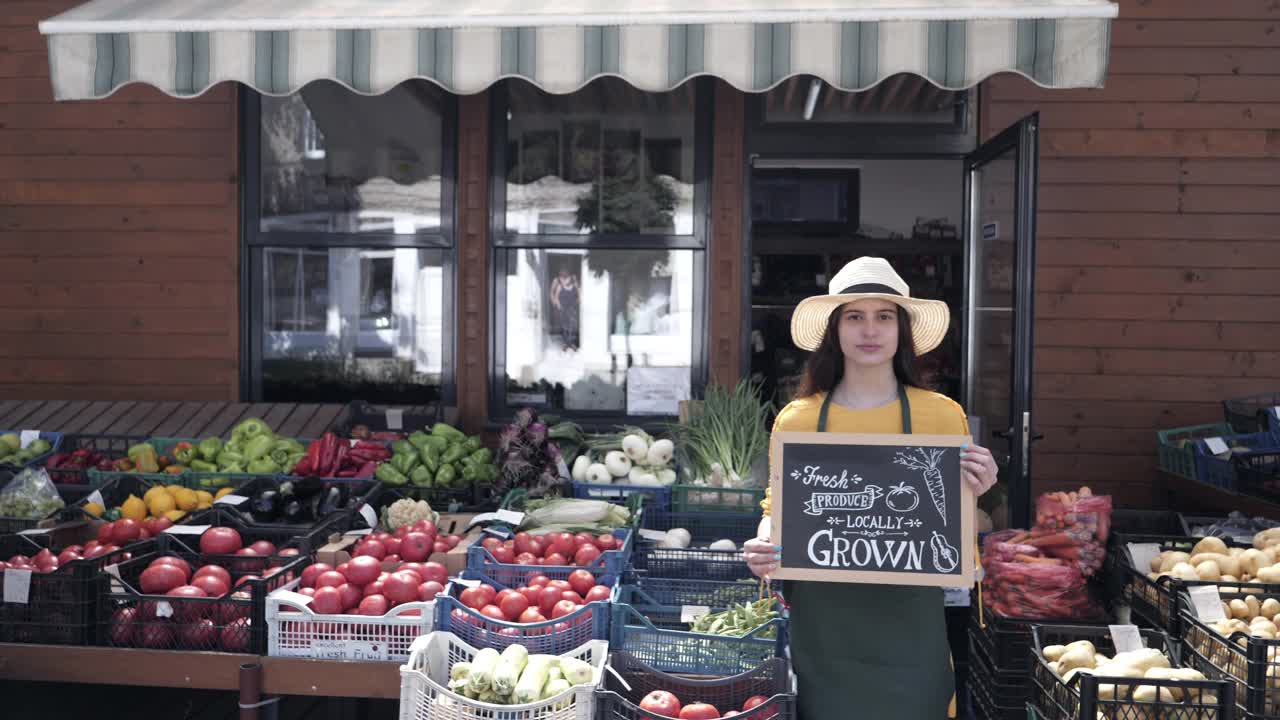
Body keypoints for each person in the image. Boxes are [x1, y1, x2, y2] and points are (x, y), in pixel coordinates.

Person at [741, 256, 999, 719]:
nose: (869, 330)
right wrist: (764, 543)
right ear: (835, 331)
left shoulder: (941, 415)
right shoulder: (798, 419)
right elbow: (777, 509)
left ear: (901, 330)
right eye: (854, 316)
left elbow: (967, 517)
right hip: (824, 632)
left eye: (884, 317)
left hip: (911, 634)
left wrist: (981, 486)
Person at [549, 268, 580, 350]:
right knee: (564, 325)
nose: (565, 279)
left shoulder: (574, 282)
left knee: (573, 325)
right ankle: (566, 343)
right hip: (562, 307)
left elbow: (578, 292)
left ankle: (572, 343)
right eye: (563, 276)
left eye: (567, 277)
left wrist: (577, 302)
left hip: (572, 307)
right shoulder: (558, 284)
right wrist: (557, 305)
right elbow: (555, 295)